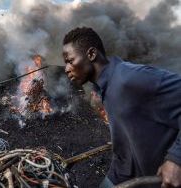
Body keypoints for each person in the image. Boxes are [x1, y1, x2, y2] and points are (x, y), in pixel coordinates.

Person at [62, 27, 181, 188]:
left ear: (91, 54)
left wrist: (176, 159)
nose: (66, 68)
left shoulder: (130, 78)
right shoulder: (105, 88)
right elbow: (125, 150)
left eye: (70, 61)